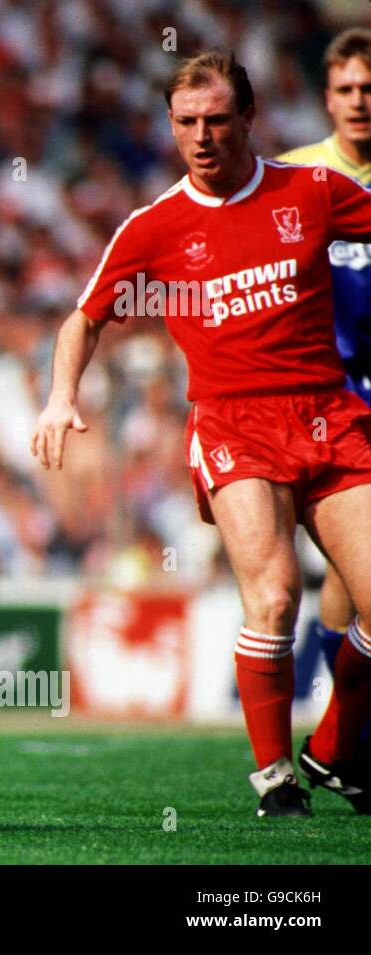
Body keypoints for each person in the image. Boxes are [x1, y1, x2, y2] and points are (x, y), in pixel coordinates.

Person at [32, 49, 371, 817]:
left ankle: (333, 746)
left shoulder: (311, 191)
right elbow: (83, 318)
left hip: (329, 410)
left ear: (248, 118)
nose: (202, 136)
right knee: (277, 596)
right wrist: (59, 398)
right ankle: (275, 775)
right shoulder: (154, 227)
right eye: (186, 122)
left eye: (218, 119)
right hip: (234, 424)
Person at [275, 28, 371, 754]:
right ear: (326, 99)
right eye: (346, 89)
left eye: (370, 89)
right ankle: (345, 730)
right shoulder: (296, 178)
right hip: (331, 392)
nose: (360, 101)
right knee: (351, 564)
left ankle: (343, 732)